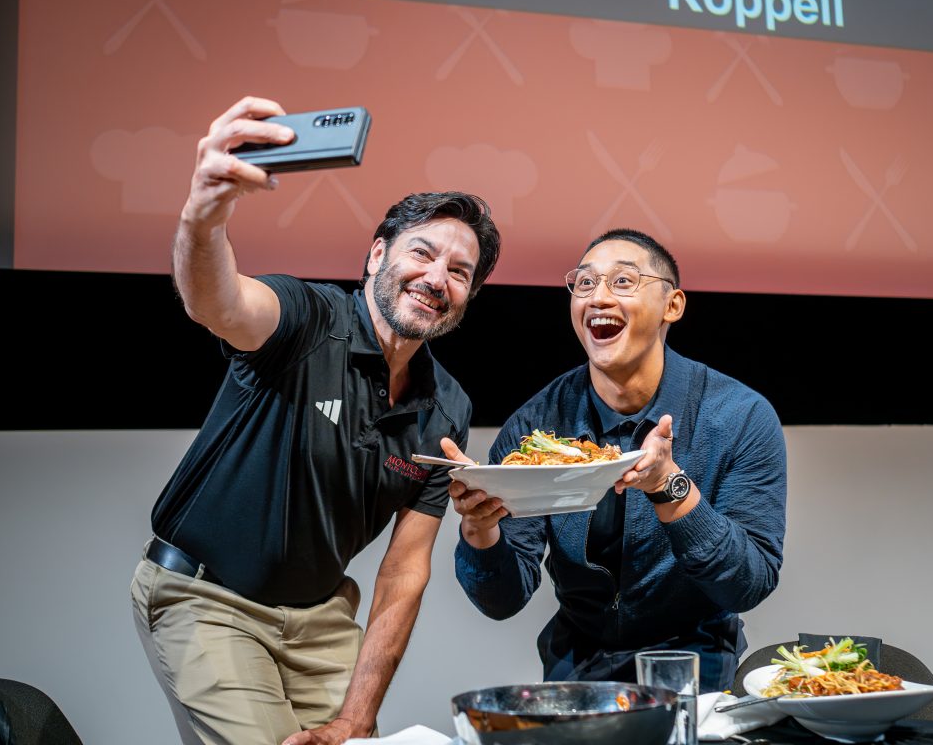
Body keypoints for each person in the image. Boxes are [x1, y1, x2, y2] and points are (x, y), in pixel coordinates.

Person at [130, 96, 501, 745]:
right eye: (422, 252)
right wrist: (204, 210)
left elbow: (403, 572)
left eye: (460, 271)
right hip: (209, 600)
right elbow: (216, 300)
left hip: (323, 619)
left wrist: (357, 718)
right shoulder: (307, 318)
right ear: (376, 256)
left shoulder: (448, 408)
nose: (437, 277)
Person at [442, 229, 786, 692]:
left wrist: (670, 486)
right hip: (579, 668)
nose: (598, 297)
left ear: (673, 305)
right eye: (584, 284)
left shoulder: (738, 416)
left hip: (697, 668)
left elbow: (748, 583)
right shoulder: (535, 427)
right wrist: (480, 529)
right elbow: (502, 600)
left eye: (623, 282)